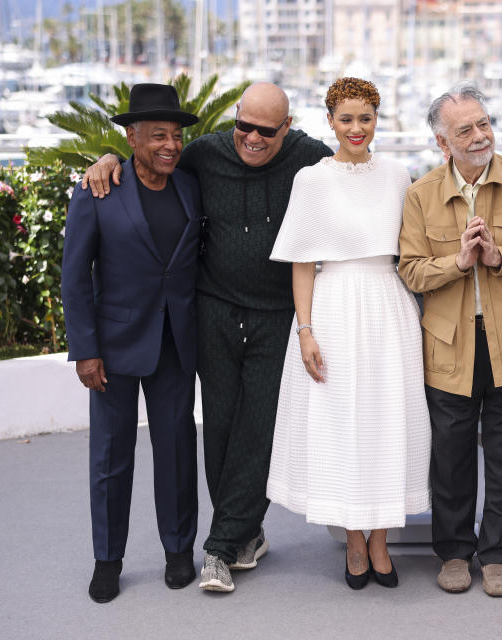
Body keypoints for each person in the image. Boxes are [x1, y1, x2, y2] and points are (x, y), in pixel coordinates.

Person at [81, 82, 334, 593]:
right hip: (167, 329)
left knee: (219, 440)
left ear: (286, 128)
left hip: (231, 327)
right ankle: (130, 556)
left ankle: (202, 549)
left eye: (268, 129)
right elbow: (79, 268)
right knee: (164, 444)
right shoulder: (161, 169)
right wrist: (107, 156)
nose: (254, 138)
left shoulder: (295, 159)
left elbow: (351, 169)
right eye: (245, 125)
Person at [398, 83, 502, 597]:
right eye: (464, 130)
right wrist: (458, 262)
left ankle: (496, 556)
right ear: (441, 142)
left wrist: (500, 259)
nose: (479, 136)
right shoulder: (420, 193)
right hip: (449, 346)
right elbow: (409, 271)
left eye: (483, 124)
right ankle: (453, 553)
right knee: (449, 457)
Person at [266, 77, 430, 590]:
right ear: (330, 121)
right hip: (333, 306)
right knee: (342, 426)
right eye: (346, 118)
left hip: (388, 306)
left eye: (366, 117)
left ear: (377, 119)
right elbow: (300, 260)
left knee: (386, 421)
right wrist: (306, 332)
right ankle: (353, 539)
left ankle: (380, 538)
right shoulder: (311, 180)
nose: (356, 128)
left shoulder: (400, 175)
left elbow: (415, 249)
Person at [61, 84, 202, 603]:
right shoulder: (97, 191)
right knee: (111, 458)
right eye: (158, 135)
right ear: (131, 137)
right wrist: (85, 350)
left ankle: (178, 551)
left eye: (177, 135)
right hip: (113, 349)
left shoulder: (191, 187)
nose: (170, 145)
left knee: (177, 452)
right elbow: (74, 279)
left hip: (174, 346)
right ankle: (108, 561)